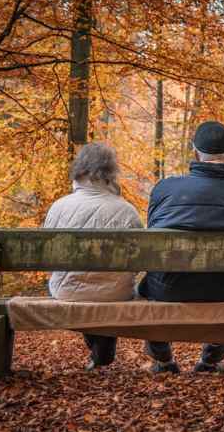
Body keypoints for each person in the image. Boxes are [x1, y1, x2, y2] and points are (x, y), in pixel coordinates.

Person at [137, 121, 224, 374]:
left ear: (195, 152)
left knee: (152, 282)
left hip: (167, 289)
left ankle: (163, 360)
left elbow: (153, 236)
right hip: (223, 290)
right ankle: (210, 362)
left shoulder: (165, 189)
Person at [44, 142, 143, 370]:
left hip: (66, 290)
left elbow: (49, 257)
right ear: (111, 173)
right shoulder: (126, 210)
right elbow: (137, 260)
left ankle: (100, 354)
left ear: (79, 170)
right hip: (116, 293)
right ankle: (103, 352)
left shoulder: (58, 207)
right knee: (107, 290)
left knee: (84, 291)